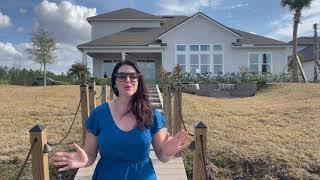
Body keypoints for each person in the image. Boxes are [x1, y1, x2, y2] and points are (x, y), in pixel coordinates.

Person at [51, 60, 190, 180]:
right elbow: (90, 154)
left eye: (133, 76)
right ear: (114, 81)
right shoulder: (99, 114)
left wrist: (167, 153)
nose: (128, 80)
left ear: (139, 80)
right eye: (122, 76)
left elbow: (162, 157)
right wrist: (85, 160)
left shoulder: (152, 115)